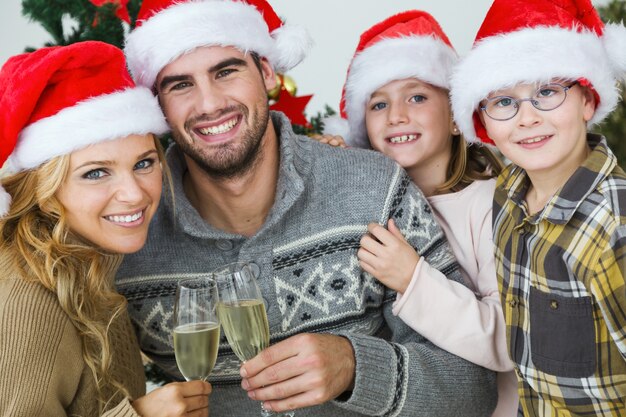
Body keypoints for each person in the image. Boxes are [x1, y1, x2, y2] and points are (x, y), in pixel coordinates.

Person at [116, 0, 498, 416]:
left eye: (226, 72)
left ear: (266, 72)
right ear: (158, 102)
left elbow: (473, 389)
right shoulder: (131, 230)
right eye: (180, 85)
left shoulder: (372, 188)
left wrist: (355, 367)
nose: (209, 105)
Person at [322, 11, 518, 417]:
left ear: (455, 118)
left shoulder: (491, 206)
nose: (396, 115)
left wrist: (413, 279)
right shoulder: (368, 209)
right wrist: (333, 171)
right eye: (378, 103)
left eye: (417, 96)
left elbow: (508, 340)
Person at [0, 41, 212, 417]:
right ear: (44, 192)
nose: (134, 194)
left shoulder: (89, 264)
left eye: (144, 163)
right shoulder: (31, 299)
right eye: (96, 173)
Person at [449, 0, 626, 415]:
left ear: (587, 101)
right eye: (504, 102)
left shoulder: (615, 226)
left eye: (547, 92)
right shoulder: (509, 191)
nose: (526, 118)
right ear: (484, 121)